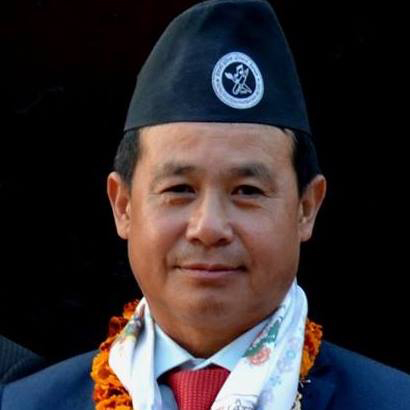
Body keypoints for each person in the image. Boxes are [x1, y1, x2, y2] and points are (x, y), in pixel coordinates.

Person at [1, 0, 409, 409]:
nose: (209, 227)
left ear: (306, 208)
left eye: (247, 191)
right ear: (123, 205)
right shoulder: (25, 403)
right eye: (180, 188)